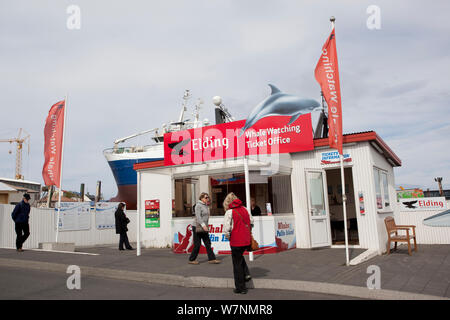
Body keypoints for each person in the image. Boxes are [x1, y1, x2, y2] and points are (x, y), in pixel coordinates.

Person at [223, 192, 254, 294]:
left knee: (237, 265)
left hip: (236, 241)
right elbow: (251, 222)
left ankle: (241, 288)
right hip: (246, 240)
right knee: (239, 258)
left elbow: (226, 229)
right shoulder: (245, 209)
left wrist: (228, 237)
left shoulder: (229, 212)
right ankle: (246, 274)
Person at [188, 192, 220, 265]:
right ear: (201, 198)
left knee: (207, 243)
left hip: (204, 227)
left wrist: (206, 225)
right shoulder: (198, 206)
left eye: (208, 197)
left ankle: (212, 259)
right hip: (197, 227)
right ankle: (191, 259)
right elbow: (198, 217)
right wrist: (204, 225)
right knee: (197, 244)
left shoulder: (206, 206)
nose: (207, 199)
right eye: (206, 197)